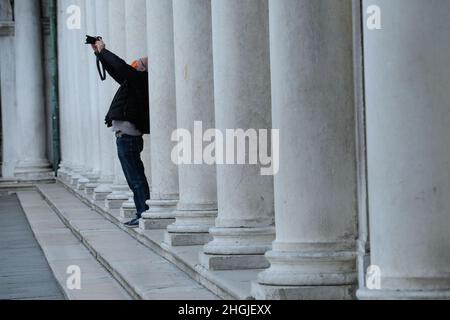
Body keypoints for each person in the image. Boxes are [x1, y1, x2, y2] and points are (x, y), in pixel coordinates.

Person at [91, 39, 150, 228]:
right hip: (124, 137)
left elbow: (121, 67)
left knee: (136, 178)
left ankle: (144, 214)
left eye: (137, 63)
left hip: (128, 138)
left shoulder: (140, 80)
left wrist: (104, 51)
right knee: (133, 178)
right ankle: (142, 212)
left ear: (143, 69)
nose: (134, 64)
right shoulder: (133, 82)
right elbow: (117, 70)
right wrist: (99, 54)